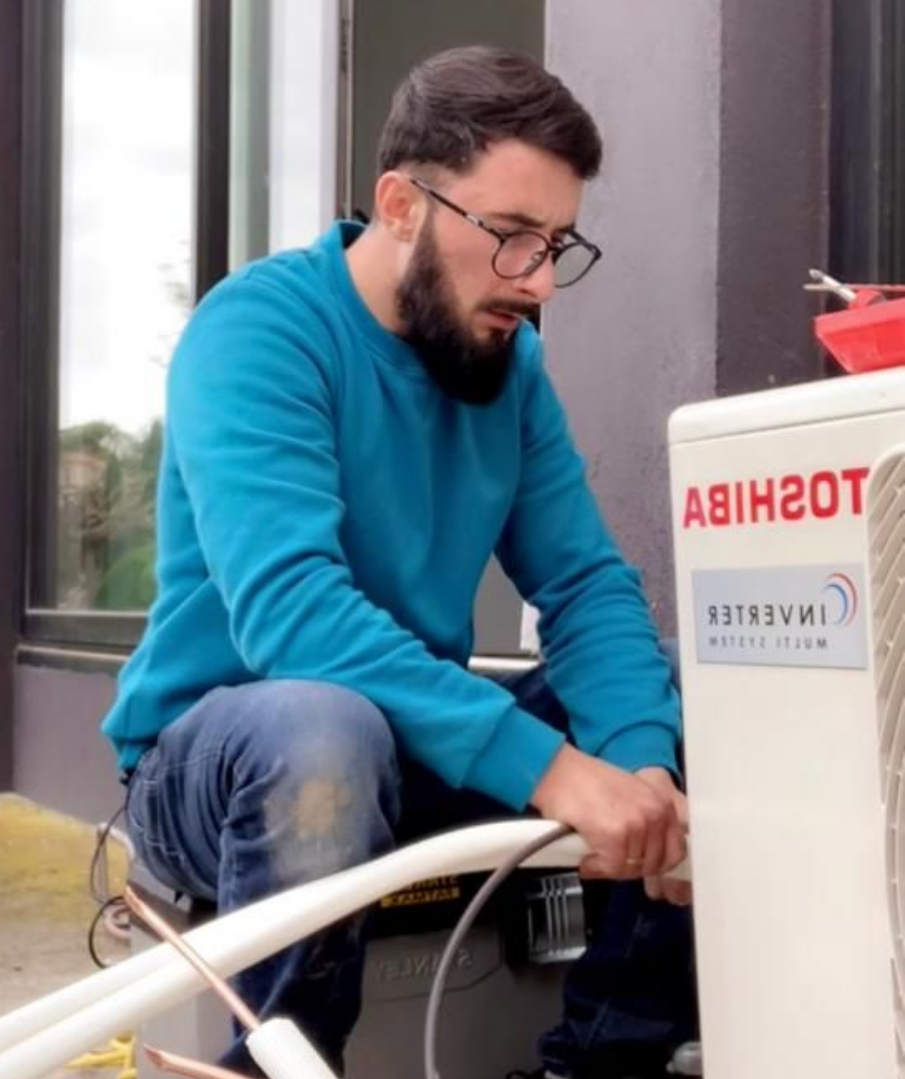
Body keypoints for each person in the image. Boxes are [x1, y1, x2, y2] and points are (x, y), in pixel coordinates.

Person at [103, 45, 697, 1079]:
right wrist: (558, 772)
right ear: (401, 204)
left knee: (702, 693)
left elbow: (584, 586)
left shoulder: (506, 363)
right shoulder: (258, 331)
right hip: (227, 762)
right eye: (510, 237)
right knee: (322, 729)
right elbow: (291, 613)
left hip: (406, 749)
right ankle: (280, 1066)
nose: (538, 281)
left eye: (556, 245)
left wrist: (639, 768)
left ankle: (603, 1061)